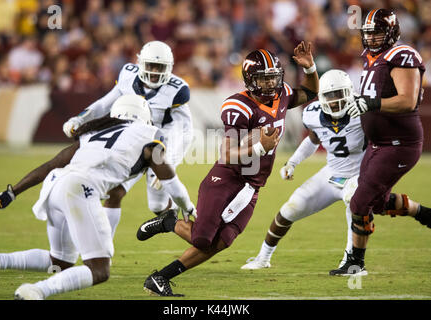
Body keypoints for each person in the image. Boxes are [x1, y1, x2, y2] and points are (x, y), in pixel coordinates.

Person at [136, 43, 320, 296]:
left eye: (273, 78)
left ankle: (159, 278)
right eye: (263, 80)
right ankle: (170, 223)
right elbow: (227, 155)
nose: (270, 85)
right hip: (226, 179)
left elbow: (310, 93)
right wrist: (258, 149)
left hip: (253, 185)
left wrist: (310, 67)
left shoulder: (282, 95)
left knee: (224, 240)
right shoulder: (238, 107)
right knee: (202, 239)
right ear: (249, 80)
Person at [0, 95, 196, 300]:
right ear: (144, 116)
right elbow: (170, 180)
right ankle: (36, 291)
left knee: (60, 261)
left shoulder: (93, 134)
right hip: (79, 189)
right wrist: (186, 207)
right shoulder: (149, 133)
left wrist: (12, 192)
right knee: (99, 270)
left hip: (55, 185)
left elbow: (50, 165)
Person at [330, 9, 431, 276]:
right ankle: (425, 214)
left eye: (378, 33)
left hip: (400, 142)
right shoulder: (370, 58)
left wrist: (370, 103)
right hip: (378, 143)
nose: (372, 38)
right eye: (369, 33)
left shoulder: (402, 55)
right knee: (376, 202)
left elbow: (407, 101)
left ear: (392, 33)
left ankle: (356, 263)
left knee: (359, 202)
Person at [62, 40, 193, 239]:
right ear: (140, 63)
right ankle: (104, 249)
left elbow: (182, 132)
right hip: (129, 142)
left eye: (160, 67)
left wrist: (169, 160)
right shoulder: (128, 75)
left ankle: (193, 231)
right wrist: (80, 118)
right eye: (151, 65)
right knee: (114, 192)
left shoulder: (177, 90)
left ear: (169, 68)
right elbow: (105, 103)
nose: (155, 71)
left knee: (157, 206)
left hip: (157, 144)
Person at [241, 69, 364, 271]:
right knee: (291, 208)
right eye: (330, 96)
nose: (335, 101)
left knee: (354, 201)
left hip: (359, 174)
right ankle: (263, 258)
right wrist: (292, 162)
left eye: (340, 94)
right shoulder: (313, 114)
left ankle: (352, 262)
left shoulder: (363, 112)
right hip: (331, 173)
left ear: (350, 92)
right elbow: (313, 139)